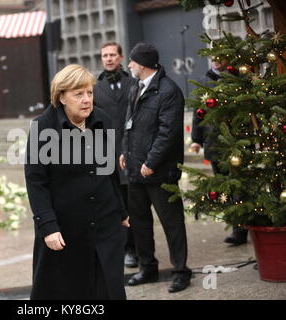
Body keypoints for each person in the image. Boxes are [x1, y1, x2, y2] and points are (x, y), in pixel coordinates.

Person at [25, 64, 129, 300]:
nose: (86, 100)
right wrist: (48, 227)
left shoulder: (101, 118)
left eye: (90, 93)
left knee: (109, 290)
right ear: (61, 96)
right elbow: (35, 181)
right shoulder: (43, 126)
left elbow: (108, 169)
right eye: (78, 94)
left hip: (105, 221)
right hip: (65, 228)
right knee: (68, 292)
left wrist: (121, 211)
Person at [120, 42, 192, 293]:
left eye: (131, 61)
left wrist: (151, 163)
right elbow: (129, 121)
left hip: (159, 172)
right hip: (135, 170)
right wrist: (124, 151)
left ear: (142, 64)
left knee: (172, 224)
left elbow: (168, 133)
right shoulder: (136, 87)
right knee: (139, 223)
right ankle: (147, 268)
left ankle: (181, 272)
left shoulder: (168, 91)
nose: (128, 65)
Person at [190, 59, 248, 245]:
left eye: (219, 55)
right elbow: (198, 112)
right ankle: (235, 225)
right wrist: (196, 139)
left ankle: (241, 230)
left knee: (238, 188)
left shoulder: (237, 78)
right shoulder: (204, 80)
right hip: (214, 144)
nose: (216, 60)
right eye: (213, 56)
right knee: (224, 188)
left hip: (236, 143)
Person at [93, 41, 138, 268]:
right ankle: (123, 247)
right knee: (113, 205)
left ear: (121, 57)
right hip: (107, 155)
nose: (108, 59)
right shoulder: (94, 88)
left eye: (112, 55)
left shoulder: (133, 84)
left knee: (134, 204)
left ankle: (136, 247)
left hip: (131, 153)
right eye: (104, 56)